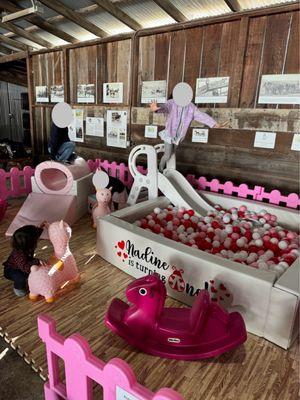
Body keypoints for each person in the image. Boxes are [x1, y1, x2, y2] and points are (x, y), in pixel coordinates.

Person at [150, 92, 228, 172]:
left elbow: (202, 116)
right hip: (169, 134)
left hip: (179, 137)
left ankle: (169, 170)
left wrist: (214, 124)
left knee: (172, 154)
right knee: (167, 155)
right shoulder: (171, 103)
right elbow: (164, 107)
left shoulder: (191, 107)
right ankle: (159, 170)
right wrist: (157, 108)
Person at [3, 224, 45, 297]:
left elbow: (35, 235)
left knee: (31, 270)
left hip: (22, 264)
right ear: (30, 243)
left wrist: (41, 227)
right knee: (21, 277)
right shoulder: (19, 255)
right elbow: (25, 267)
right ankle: (18, 288)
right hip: (12, 270)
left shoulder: (24, 244)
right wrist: (36, 261)